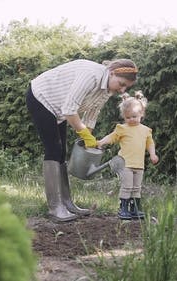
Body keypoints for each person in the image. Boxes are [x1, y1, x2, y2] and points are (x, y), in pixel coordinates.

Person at [26, 58, 139, 222]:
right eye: (121, 84)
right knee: (54, 150)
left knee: (62, 151)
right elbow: (69, 109)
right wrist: (84, 134)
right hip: (41, 97)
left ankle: (66, 202)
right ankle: (55, 208)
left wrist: (88, 135)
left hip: (58, 107)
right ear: (112, 72)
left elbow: (93, 112)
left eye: (125, 87)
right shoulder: (91, 75)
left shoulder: (107, 89)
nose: (122, 90)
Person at [97, 91, 159, 220]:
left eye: (134, 116)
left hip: (139, 165)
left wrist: (153, 154)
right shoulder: (122, 128)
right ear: (124, 117)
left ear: (142, 114)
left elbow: (150, 144)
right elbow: (112, 137)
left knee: (136, 187)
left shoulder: (146, 130)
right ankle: (123, 208)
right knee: (127, 187)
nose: (131, 119)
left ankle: (135, 208)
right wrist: (102, 142)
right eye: (127, 117)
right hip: (125, 164)